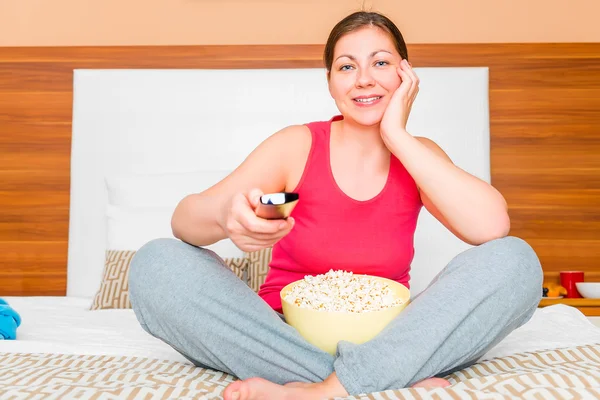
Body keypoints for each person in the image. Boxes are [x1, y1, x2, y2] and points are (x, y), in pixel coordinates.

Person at [128, 10, 542, 400]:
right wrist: (225, 216)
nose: (363, 79)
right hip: (279, 338)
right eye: (347, 66)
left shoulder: (418, 156)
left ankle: (325, 388)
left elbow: (491, 228)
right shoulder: (297, 147)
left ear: (406, 74)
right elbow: (185, 222)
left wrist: (397, 136)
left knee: (516, 260)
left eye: (380, 63)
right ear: (330, 81)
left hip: (390, 338)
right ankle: (377, 379)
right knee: (157, 262)